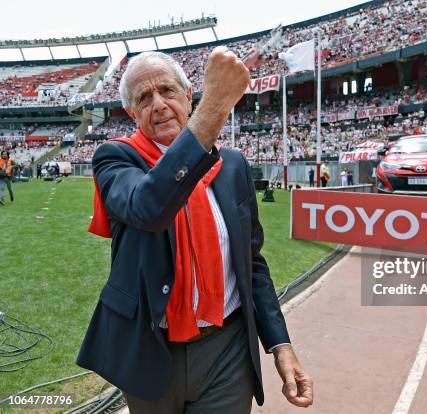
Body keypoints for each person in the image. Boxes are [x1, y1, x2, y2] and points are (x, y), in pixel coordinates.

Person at [78, 50, 313, 413]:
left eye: (168, 91)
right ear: (132, 113)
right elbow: (148, 207)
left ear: (189, 96)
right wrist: (214, 108)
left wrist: (280, 345)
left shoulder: (232, 165)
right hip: (149, 347)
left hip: (227, 349)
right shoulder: (115, 158)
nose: (158, 104)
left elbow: (252, 263)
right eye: (144, 98)